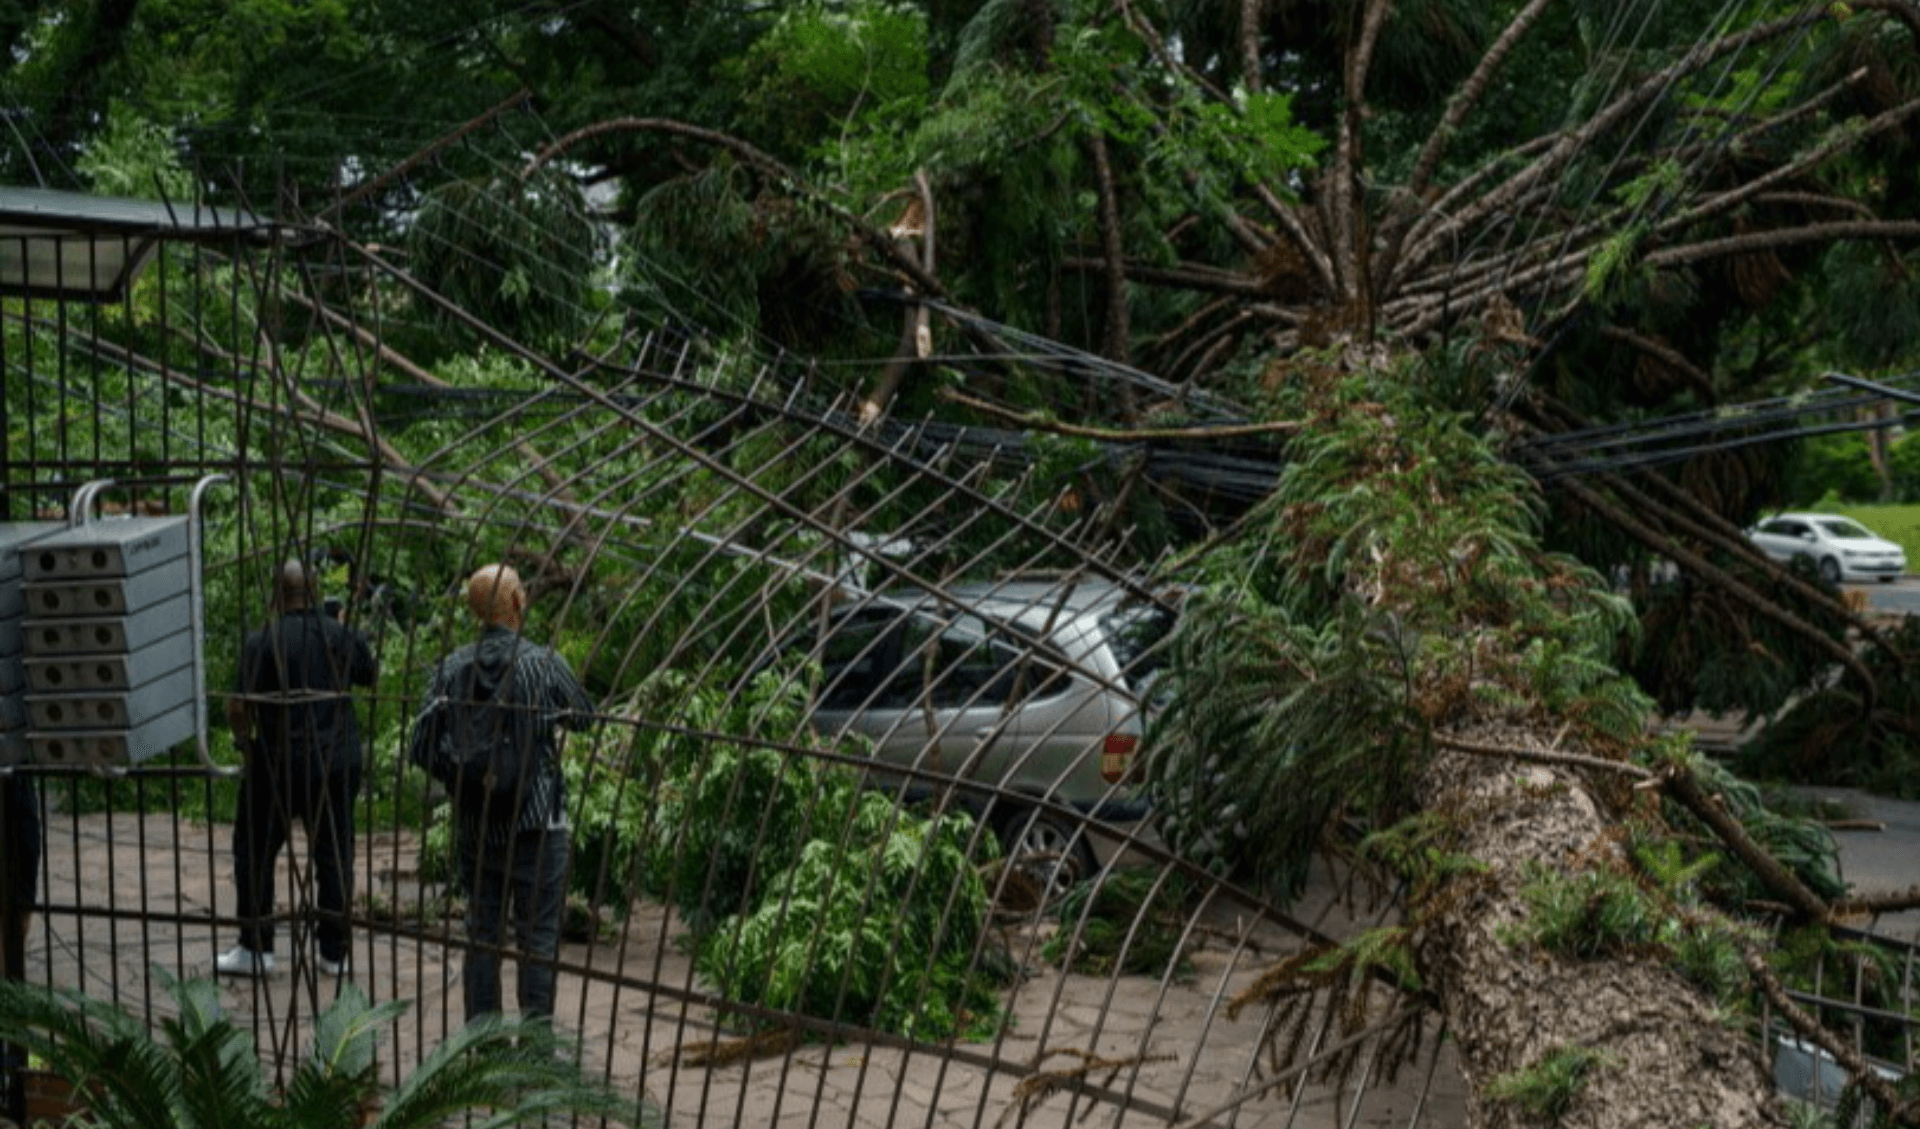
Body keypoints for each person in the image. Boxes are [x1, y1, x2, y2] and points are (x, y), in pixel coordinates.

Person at [412, 564, 595, 1023]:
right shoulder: (543, 663)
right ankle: (533, 1056)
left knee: (482, 936)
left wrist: (464, 778)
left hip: (476, 825)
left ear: (476, 611)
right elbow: (586, 716)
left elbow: (420, 744)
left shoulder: (451, 668)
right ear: (517, 603)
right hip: (537, 823)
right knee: (537, 940)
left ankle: (484, 1046)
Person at [220, 558, 377, 977]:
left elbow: (238, 706)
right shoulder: (340, 635)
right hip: (335, 760)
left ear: (276, 594)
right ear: (314, 588)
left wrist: (244, 743)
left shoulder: (262, 641)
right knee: (334, 851)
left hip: (278, 760)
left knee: (254, 850)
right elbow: (369, 674)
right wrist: (342, 629)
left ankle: (256, 948)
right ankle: (334, 952)